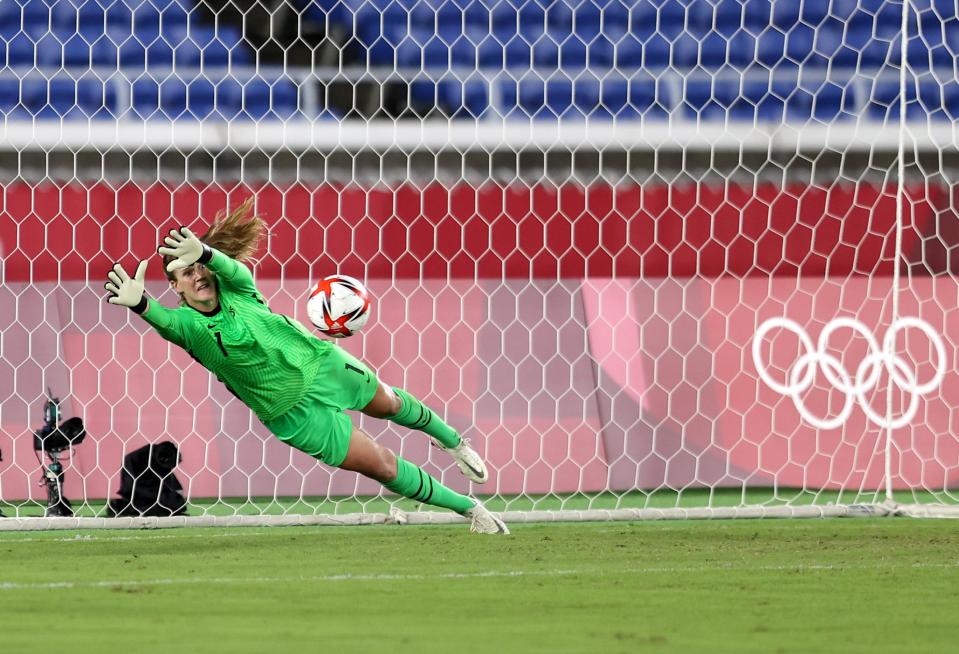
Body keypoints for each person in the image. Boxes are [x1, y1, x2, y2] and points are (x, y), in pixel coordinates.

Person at [104, 201, 508, 534]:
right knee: (382, 465)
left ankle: (453, 441)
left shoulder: (237, 288)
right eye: (185, 273)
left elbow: (235, 270)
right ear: (175, 287)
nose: (197, 276)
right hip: (293, 414)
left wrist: (207, 253)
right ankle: (469, 509)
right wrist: (141, 304)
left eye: (199, 267)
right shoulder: (189, 328)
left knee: (388, 404)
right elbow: (164, 322)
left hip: (320, 363)